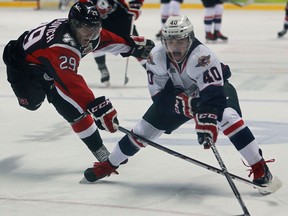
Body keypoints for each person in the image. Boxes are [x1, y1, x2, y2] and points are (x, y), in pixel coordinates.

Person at [83, 15, 275, 188]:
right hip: (178, 98)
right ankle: (110, 164)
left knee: (228, 117)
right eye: (170, 41)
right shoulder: (155, 57)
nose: (175, 47)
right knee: (142, 131)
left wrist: (206, 117)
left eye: (180, 41)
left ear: (190, 39)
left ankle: (259, 166)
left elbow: (213, 95)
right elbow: (158, 97)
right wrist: (184, 104)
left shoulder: (203, 57)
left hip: (210, 94)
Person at [2, 2, 154, 166]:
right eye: (86, 28)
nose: (90, 33)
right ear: (74, 25)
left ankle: (99, 149)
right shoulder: (62, 46)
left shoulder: (86, 33)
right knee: (32, 104)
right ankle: (44, 85)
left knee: (71, 109)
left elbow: (105, 40)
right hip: (22, 66)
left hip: (49, 65)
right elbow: (72, 82)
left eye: (94, 28)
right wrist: (95, 105)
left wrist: (131, 46)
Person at [80, 0, 145, 86]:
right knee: (96, 41)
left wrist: (135, 7)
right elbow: (81, 9)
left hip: (121, 19)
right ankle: (103, 69)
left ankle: (152, 70)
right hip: (100, 22)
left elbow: (127, 9)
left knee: (136, 46)